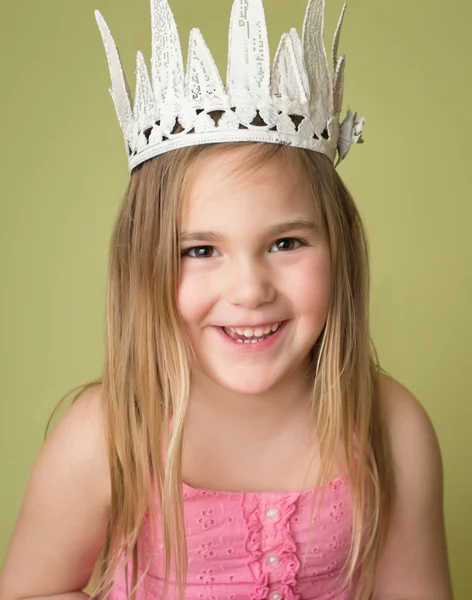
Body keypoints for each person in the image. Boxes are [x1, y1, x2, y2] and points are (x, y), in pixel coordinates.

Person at [0, 0, 453, 599]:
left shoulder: (390, 430)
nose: (249, 292)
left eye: (286, 242)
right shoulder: (108, 434)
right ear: (143, 264)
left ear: (339, 246)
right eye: (200, 251)